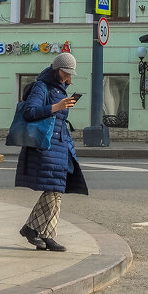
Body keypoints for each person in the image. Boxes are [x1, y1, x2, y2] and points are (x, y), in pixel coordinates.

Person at [16, 52, 89, 252]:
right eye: (65, 72)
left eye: (70, 73)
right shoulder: (41, 86)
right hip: (45, 146)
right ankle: (38, 232)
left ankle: (39, 232)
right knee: (55, 189)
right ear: (56, 69)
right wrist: (57, 106)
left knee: (56, 190)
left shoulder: (60, 88)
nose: (68, 76)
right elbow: (30, 112)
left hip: (59, 145)